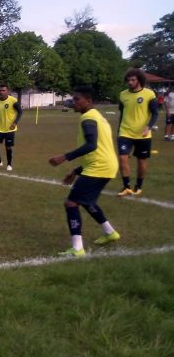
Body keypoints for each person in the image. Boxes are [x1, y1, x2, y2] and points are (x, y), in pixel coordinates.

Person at [49, 86, 120, 257]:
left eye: (77, 99)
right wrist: (76, 171)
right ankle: (110, 233)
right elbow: (100, 149)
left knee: (71, 203)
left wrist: (64, 157)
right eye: (73, 99)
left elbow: (91, 145)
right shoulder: (98, 117)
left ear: (88, 101)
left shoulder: (88, 118)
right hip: (106, 165)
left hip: (99, 167)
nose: (74, 103)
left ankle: (77, 248)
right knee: (87, 201)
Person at [115, 68, 159, 197]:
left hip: (143, 134)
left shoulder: (149, 94)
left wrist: (148, 127)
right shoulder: (123, 95)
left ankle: (138, 186)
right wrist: (119, 130)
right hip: (125, 132)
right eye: (128, 80)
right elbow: (122, 113)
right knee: (122, 158)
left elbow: (155, 113)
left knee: (141, 161)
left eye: (133, 80)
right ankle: (126, 186)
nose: (130, 82)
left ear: (139, 80)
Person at [0, 84, 22, 171]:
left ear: (7, 91)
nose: (1, 92)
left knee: (8, 147)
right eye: (0, 90)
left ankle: (9, 164)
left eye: (3, 90)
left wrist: (15, 123)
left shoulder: (13, 100)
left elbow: (20, 112)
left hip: (10, 128)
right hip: (0, 128)